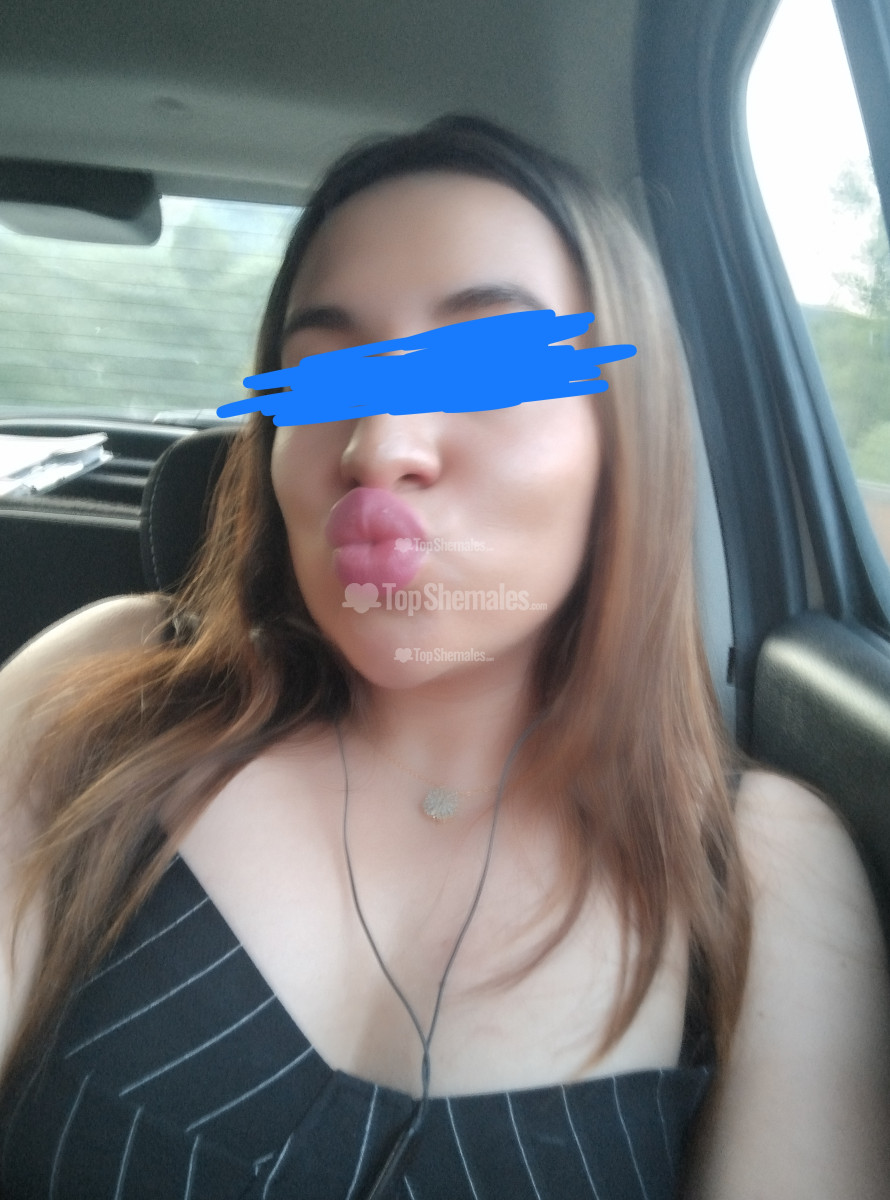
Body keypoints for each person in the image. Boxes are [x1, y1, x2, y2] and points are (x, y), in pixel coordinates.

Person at [0, 115, 887, 1199]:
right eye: (321, 381)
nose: (377, 446)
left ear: (626, 435)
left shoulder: (759, 866)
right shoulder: (101, 696)